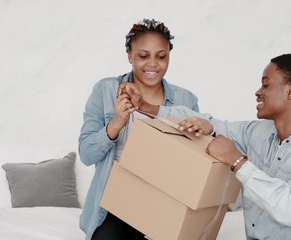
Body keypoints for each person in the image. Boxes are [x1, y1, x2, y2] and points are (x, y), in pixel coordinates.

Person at [121, 53, 291, 239]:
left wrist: (238, 161)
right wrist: (149, 107)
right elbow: (212, 122)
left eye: (265, 85)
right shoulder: (259, 133)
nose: (258, 92)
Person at [78, 18, 200, 240]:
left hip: (164, 201)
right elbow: (86, 154)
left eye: (161, 56)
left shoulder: (186, 100)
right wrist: (116, 124)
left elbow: (193, 162)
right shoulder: (106, 90)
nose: (153, 64)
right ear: (130, 56)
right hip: (114, 204)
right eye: (143, 56)